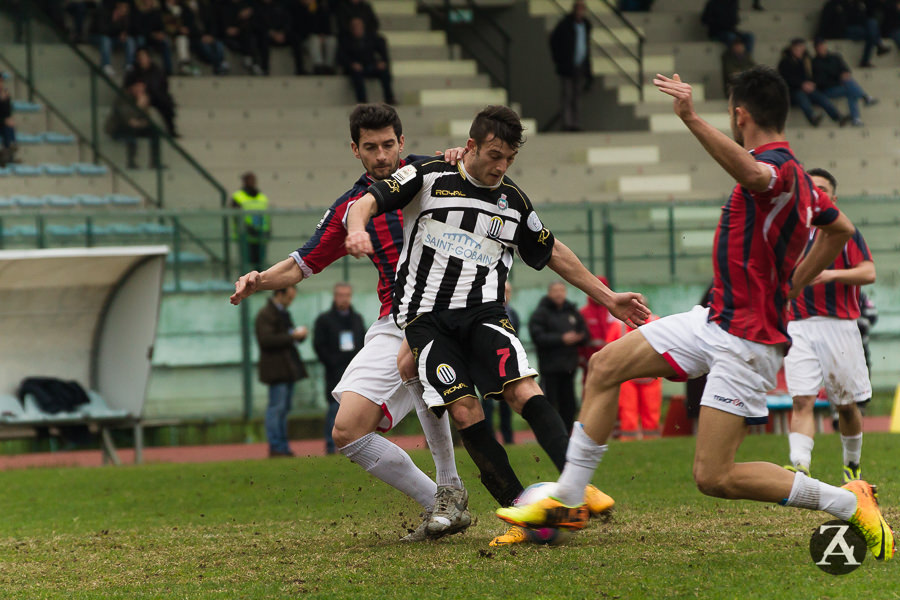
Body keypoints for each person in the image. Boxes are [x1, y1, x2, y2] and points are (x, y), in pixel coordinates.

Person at [497, 66, 894, 563]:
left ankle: (847, 501)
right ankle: (569, 502)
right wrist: (795, 281)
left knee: (714, 477)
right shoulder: (802, 182)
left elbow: (755, 177)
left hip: (749, 340)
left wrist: (688, 115)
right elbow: (840, 229)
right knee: (604, 366)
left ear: (739, 114)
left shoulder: (776, 168)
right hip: (714, 319)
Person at [345, 104, 646, 546]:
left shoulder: (515, 202)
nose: (500, 166)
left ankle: (574, 484)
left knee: (524, 389)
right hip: (427, 322)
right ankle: (521, 506)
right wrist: (357, 229)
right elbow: (367, 201)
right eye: (493, 155)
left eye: (509, 158)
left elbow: (554, 252)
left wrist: (608, 297)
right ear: (471, 146)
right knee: (466, 409)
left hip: (485, 315)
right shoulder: (427, 175)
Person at [231, 103, 470, 542]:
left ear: (403, 142)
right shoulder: (350, 207)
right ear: (354, 150)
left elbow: (484, 182)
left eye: (388, 145)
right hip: (393, 319)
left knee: (429, 368)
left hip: (450, 312)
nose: (381, 156)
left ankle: (478, 489)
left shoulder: (435, 174)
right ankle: (443, 501)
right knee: (347, 431)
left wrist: (463, 159)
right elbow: (302, 264)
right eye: (370, 147)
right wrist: (259, 280)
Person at [784, 168, 875, 483]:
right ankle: (800, 467)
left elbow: (868, 273)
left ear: (832, 199)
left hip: (839, 327)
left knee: (846, 405)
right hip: (797, 325)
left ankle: (851, 465)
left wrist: (831, 274)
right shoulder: (787, 232)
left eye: (822, 189)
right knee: (802, 399)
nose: (816, 193)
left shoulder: (843, 232)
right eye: (811, 188)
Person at [255, 286, 309, 458]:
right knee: (277, 409)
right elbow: (266, 340)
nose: (290, 302)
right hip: (277, 369)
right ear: (280, 294)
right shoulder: (266, 314)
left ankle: (282, 446)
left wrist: (297, 336)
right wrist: (292, 336)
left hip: (285, 368)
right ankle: (276, 446)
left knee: (283, 409)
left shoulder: (281, 313)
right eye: (289, 298)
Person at [528, 281, 588, 434]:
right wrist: (561, 339)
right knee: (549, 404)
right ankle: (549, 433)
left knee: (569, 405)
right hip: (550, 369)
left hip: (569, 368)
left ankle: (567, 435)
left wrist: (578, 337)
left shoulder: (572, 311)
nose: (559, 294)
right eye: (555, 291)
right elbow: (538, 337)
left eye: (562, 290)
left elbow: (585, 333)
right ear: (549, 293)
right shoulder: (540, 313)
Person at [313, 282, 366, 454]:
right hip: (334, 371)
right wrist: (332, 361)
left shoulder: (357, 319)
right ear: (335, 297)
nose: (344, 299)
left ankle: (355, 444)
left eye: (347, 295)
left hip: (355, 370)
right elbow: (319, 345)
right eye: (340, 295)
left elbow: (364, 342)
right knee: (334, 407)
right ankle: (331, 445)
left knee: (357, 408)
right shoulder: (324, 320)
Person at [605, 314, 662, 440]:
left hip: (649, 375)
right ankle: (629, 439)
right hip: (629, 377)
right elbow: (609, 350)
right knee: (628, 411)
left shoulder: (656, 322)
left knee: (650, 411)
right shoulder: (618, 325)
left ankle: (650, 440)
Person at [777, 38, 845, 127]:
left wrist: (812, 83)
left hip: (807, 89)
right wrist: (801, 84)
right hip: (792, 91)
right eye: (797, 49)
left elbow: (814, 75)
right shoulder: (785, 62)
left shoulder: (807, 61)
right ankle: (812, 117)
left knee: (821, 98)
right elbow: (786, 79)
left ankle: (838, 117)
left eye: (801, 48)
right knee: (801, 97)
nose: (799, 51)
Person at [811, 38, 877, 127]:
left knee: (849, 84)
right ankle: (865, 98)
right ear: (815, 49)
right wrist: (838, 77)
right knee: (850, 89)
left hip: (841, 84)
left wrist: (845, 74)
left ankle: (856, 118)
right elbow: (821, 81)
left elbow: (845, 69)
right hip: (827, 89)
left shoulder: (835, 57)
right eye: (818, 47)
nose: (821, 48)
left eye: (822, 46)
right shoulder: (815, 62)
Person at [481, 280, 517, 445]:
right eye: (503, 291)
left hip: (507, 364)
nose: (506, 295)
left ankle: (508, 439)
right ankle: (490, 439)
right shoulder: (485, 312)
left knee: (508, 402)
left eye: (508, 292)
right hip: (488, 364)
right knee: (488, 402)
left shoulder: (513, 313)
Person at [549, 0, 592, 132]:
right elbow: (554, 41)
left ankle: (575, 123)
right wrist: (559, 60)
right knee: (567, 95)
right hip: (567, 66)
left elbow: (586, 47)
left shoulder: (586, 25)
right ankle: (567, 124)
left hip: (580, 65)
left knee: (577, 96)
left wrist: (588, 69)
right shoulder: (565, 25)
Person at [337, 17, 395, 104]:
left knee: (384, 71)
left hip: (370, 65)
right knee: (356, 75)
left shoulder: (371, 38)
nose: (357, 28)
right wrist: (352, 64)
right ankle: (362, 101)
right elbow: (342, 56)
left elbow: (382, 52)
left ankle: (390, 98)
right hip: (356, 68)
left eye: (359, 26)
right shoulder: (346, 40)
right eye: (354, 26)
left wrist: (382, 62)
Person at [104, 78, 160, 169]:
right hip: (118, 128)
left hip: (135, 126)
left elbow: (147, 120)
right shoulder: (122, 98)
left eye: (142, 87)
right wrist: (138, 106)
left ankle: (155, 162)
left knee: (154, 131)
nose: (140, 89)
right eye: (137, 86)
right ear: (131, 87)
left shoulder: (143, 98)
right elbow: (127, 119)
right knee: (130, 131)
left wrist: (143, 110)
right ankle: (131, 162)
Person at [818, 0, 890, 67]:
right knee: (870, 34)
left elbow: (865, 16)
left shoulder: (859, 4)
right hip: (844, 30)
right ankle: (876, 47)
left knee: (872, 23)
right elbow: (827, 21)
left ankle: (877, 45)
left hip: (860, 28)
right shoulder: (836, 4)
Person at [126, 47, 178, 137]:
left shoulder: (156, 70)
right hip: (137, 97)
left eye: (144, 57)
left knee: (165, 104)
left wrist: (147, 88)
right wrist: (136, 89)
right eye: (140, 58)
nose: (142, 60)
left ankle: (171, 129)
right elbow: (127, 87)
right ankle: (139, 126)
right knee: (142, 99)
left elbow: (162, 85)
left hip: (156, 96)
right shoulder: (133, 71)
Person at [231, 172, 271, 273]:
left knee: (260, 266)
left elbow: (267, 216)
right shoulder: (238, 196)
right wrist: (248, 229)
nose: (252, 182)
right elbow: (236, 216)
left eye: (253, 180)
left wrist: (269, 230)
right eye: (250, 180)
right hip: (246, 237)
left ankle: (260, 287)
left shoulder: (262, 197)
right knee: (247, 266)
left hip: (261, 236)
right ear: (244, 182)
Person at [578, 275, 613, 386]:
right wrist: (582, 360)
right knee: (590, 390)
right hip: (590, 362)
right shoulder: (583, 313)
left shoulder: (613, 312)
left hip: (613, 359)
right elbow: (580, 338)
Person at [255, 0, 304, 76]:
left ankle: (300, 69)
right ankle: (264, 69)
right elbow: (258, 25)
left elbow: (288, 20)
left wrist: (283, 32)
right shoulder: (258, 8)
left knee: (296, 38)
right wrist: (272, 33)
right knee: (262, 41)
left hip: (283, 34)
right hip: (268, 35)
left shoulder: (281, 5)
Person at [182, 0, 229, 75]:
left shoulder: (204, 7)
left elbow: (212, 23)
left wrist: (211, 36)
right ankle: (218, 66)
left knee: (219, 45)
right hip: (196, 38)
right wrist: (201, 36)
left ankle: (219, 65)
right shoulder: (183, 9)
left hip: (208, 36)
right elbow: (188, 29)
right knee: (206, 48)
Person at [216, 0, 263, 75]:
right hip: (225, 35)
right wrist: (227, 29)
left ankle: (252, 60)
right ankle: (248, 58)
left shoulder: (246, 6)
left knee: (251, 37)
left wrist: (241, 21)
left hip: (242, 33)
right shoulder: (223, 6)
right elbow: (220, 24)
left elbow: (254, 25)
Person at [292, 0, 338, 75]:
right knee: (314, 39)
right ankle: (318, 66)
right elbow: (300, 27)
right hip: (304, 39)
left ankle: (328, 66)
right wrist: (307, 9)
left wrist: (323, 34)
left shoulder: (318, 7)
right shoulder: (296, 8)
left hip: (319, 36)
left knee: (331, 40)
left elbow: (324, 23)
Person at [96, 1, 137, 78]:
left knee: (130, 40)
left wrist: (124, 33)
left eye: (125, 8)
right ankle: (106, 65)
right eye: (122, 7)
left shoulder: (126, 17)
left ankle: (129, 65)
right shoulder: (106, 12)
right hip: (98, 36)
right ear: (117, 6)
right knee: (106, 40)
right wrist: (115, 21)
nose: (123, 10)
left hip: (114, 39)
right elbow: (103, 30)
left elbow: (129, 30)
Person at [133, 0, 174, 75]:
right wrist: (152, 34)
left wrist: (161, 33)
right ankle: (138, 67)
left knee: (165, 42)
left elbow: (161, 26)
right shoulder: (139, 12)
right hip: (144, 37)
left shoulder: (156, 12)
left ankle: (169, 70)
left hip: (155, 38)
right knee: (140, 40)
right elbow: (138, 28)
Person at [0, 76, 18, 167]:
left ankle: (8, 155)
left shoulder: (5, 95)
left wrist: (5, 101)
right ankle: (9, 151)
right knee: (7, 124)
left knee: (9, 126)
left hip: (2, 123)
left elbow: (7, 113)